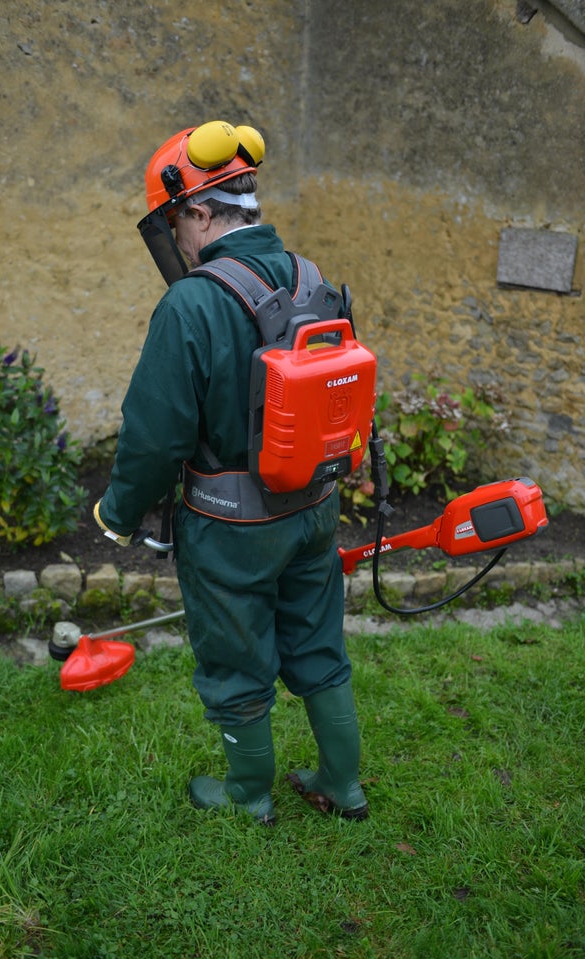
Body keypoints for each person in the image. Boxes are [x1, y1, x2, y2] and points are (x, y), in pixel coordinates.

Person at [94, 120, 368, 824]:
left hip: (232, 528)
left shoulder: (191, 303)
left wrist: (119, 512)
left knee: (235, 659)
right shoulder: (310, 275)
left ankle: (248, 795)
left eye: (175, 222)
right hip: (312, 510)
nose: (177, 241)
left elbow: (156, 436)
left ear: (200, 211)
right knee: (316, 642)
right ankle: (342, 782)